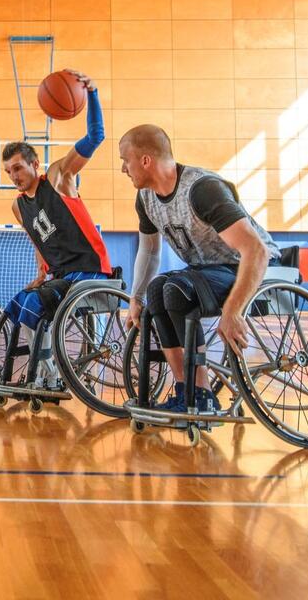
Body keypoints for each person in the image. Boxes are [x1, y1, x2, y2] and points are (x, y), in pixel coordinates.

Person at [119, 124, 280, 414]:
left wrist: (232, 311)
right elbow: (150, 250)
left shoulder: (202, 189)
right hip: (206, 271)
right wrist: (135, 298)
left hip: (248, 266)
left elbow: (256, 251)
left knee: (177, 289)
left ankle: (202, 395)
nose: (123, 169)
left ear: (145, 160)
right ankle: (187, 391)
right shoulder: (145, 199)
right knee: (158, 290)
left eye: (125, 160)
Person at [0, 69, 112, 380]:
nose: (13, 176)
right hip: (61, 275)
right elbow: (39, 241)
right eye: (8, 171)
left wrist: (91, 93)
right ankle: (43, 371)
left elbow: (96, 137)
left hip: (89, 269)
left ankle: (46, 375)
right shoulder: (18, 206)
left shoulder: (60, 177)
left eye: (18, 168)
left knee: (37, 304)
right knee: (21, 301)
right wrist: (40, 273)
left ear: (35, 164)